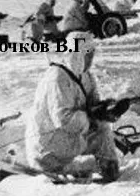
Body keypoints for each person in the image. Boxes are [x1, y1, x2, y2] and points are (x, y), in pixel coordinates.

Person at [25, 31, 120, 182]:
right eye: (87, 54)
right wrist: (91, 116)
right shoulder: (57, 77)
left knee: (103, 127)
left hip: (64, 140)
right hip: (48, 147)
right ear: (77, 53)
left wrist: (108, 109)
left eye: (92, 54)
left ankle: (107, 168)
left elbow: (93, 104)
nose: (91, 58)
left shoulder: (86, 76)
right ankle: (78, 168)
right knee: (100, 130)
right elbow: (63, 120)